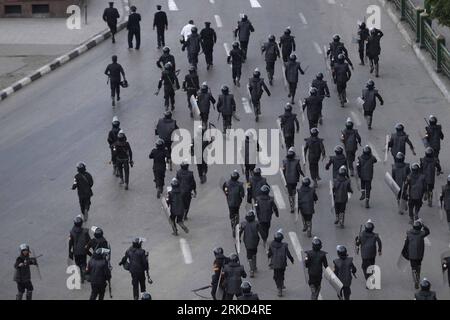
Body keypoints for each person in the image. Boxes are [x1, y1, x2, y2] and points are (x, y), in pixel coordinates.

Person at [401, 220, 430, 289]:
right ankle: (418, 276)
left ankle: (416, 281)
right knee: (419, 266)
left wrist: (404, 252)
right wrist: (423, 224)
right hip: (420, 254)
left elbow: (406, 244)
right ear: (420, 227)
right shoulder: (422, 234)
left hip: (412, 254)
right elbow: (428, 231)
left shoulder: (409, 233)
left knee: (413, 268)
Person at [268, 231, 294, 297]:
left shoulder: (271, 245)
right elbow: (288, 254)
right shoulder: (284, 245)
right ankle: (281, 284)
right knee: (281, 274)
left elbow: (269, 254)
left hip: (275, 264)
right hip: (282, 264)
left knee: (276, 276)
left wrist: (268, 256)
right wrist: (291, 259)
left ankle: (279, 288)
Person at [255, 185, 279, 249]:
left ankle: (264, 238)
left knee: (262, 228)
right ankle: (265, 238)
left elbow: (256, 207)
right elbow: (275, 207)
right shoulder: (271, 199)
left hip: (261, 217)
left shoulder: (257, 199)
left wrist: (257, 215)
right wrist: (277, 214)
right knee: (267, 228)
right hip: (268, 217)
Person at [222, 170, 245, 238]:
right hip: (237, 202)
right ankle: (236, 223)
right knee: (237, 212)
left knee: (231, 214)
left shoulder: (227, 183)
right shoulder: (240, 184)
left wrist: (227, 194)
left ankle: (233, 224)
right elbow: (242, 194)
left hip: (230, 202)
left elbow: (225, 190)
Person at [68, 216, 91, 284]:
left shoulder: (72, 232)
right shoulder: (85, 231)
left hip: (76, 252)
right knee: (83, 263)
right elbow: (89, 241)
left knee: (78, 263)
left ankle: (82, 274)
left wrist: (70, 251)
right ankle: (84, 273)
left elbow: (70, 243)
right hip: (83, 251)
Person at [283, 147, 305, 213]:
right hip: (294, 180)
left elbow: (284, 170)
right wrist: (303, 175)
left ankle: (292, 206)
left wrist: (285, 178)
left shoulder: (285, 161)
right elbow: (299, 170)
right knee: (293, 191)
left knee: (290, 194)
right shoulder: (296, 162)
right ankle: (295, 201)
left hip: (288, 180)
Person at [239, 210, 261, 278]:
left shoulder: (244, 224)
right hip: (255, 241)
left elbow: (240, 232)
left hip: (247, 242)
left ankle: (252, 270)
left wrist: (238, 238)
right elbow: (261, 231)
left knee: (249, 256)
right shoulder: (257, 223)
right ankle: (254, 267)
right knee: (254, 253)